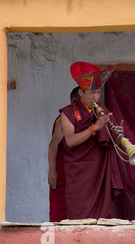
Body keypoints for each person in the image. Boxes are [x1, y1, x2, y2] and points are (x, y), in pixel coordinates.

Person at [59, 61, 124, 219]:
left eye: (98, 92)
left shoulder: (102, 110)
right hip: (80, 174)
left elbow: (109, 141)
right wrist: (94, 128)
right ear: (81, 93)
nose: (96, 97)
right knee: (79, 215)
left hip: (99, 172)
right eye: (92, 93)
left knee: (101, 217)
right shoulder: (68, 112)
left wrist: (116, 135)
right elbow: (70, 141)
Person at [47, 86, 80, 222]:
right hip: (63, 174)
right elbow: (53, 144)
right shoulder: (64, 118)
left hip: (79, 175)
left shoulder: (90, 118)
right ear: (74, 100)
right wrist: (52, 171)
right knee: (60, 215)